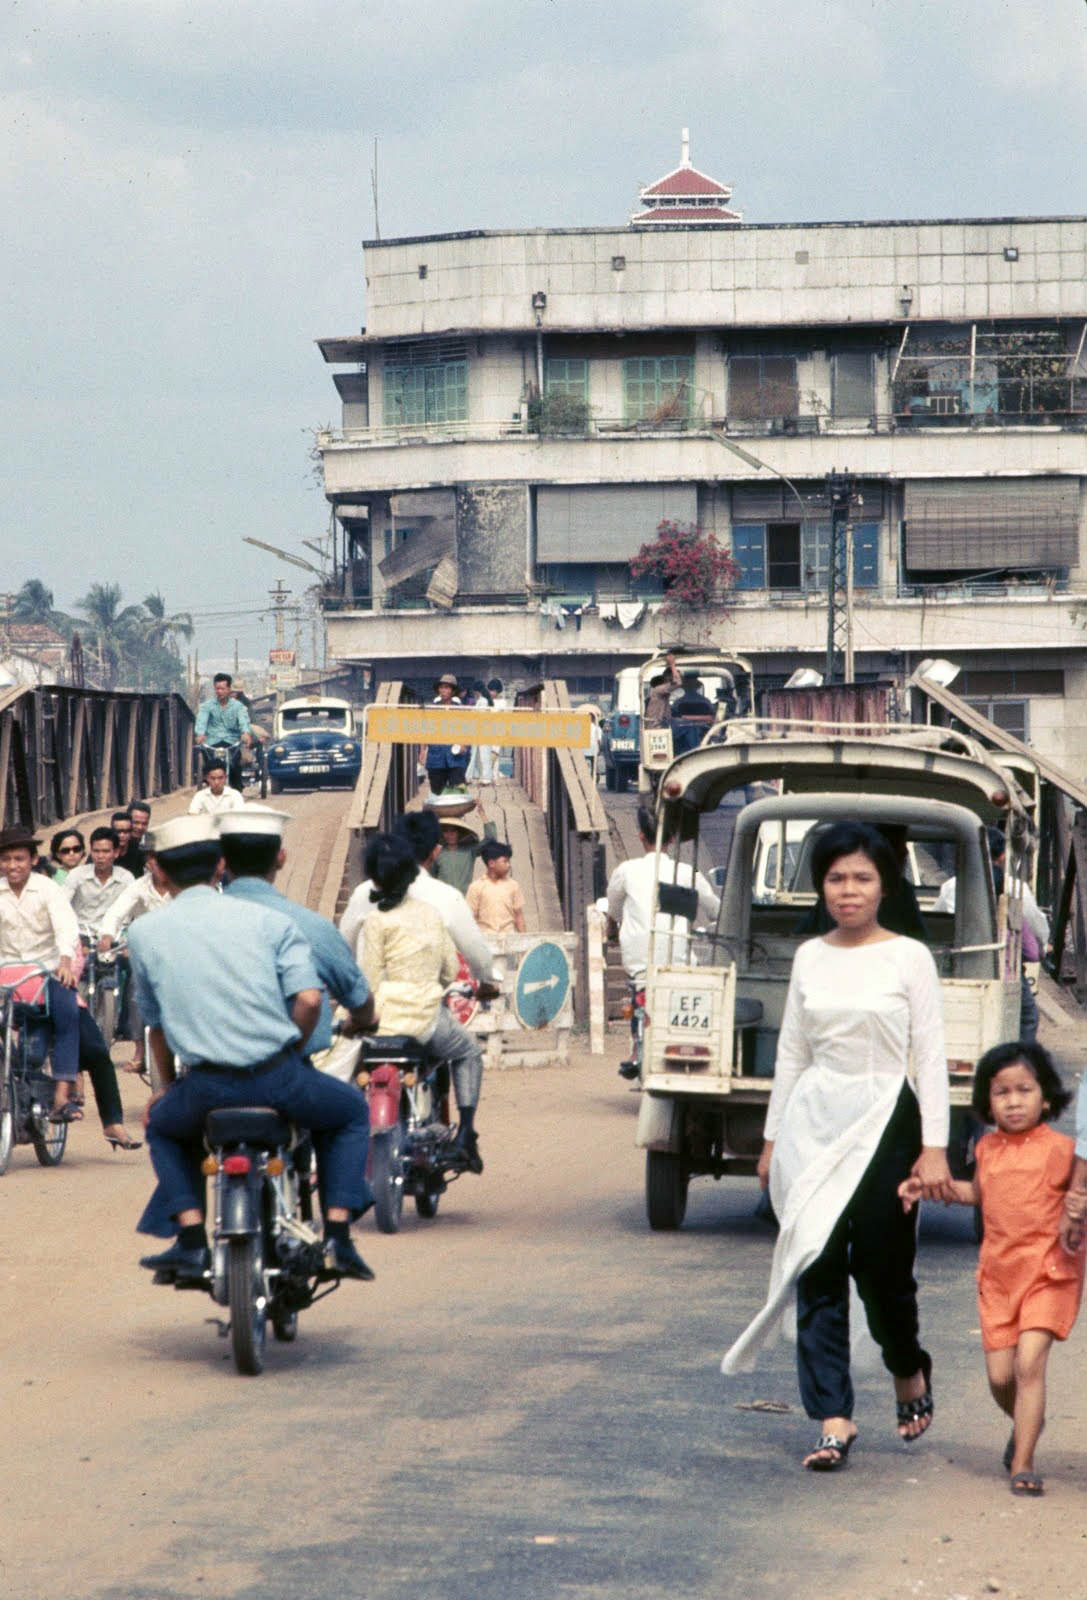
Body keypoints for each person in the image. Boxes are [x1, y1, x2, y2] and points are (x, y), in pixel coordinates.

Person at [721, 820, 953, 1472]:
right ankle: (832, 1418)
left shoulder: (908, 956)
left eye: (861, 878)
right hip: (811, 1125)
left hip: (887, 1120)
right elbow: (792, 1053)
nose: (847, 891)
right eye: (834, 878)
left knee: (882, 1272)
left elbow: (929, 1058)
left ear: (883, 886)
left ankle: (907, 1368)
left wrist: (933, 1148)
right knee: (814, 1265)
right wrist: (770, 1141)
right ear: (818, 885)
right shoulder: (809, 957)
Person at [130, 814, 375, 1284]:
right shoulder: (268, 921)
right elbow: (308, 999)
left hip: (202, 1086)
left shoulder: (144, 933)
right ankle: (339, 1237)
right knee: (347, 1112)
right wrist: (289, 1049)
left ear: (157, 870)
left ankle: (190, 1239)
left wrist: (164, 1088)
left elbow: (155, 1025)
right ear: (219, 865)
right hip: (278, 1078)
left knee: (162, 1127)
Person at [900, 1041, 1081, 1497]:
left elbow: (1079, 1202)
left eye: (1024, 1090)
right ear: (987, 1101)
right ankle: (1026, 1424)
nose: (1014, 1101)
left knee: (1029, 1363)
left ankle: (1023, 1462)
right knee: (1001, 1377)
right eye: (1002, 1092)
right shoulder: (987, 1150)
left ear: (1046, 1097)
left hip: (1048, 1273)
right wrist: (928, 1188)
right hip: (999, 1278)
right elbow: (979, 1195)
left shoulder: (1063, 1151)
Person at [360, 833, 486, 1173]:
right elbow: (449, 969)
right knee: (469, 1051)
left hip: (382, 1021)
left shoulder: (374, 920)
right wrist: (439, 985)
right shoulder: (430, 914)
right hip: (426, 1018)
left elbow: (368, 978)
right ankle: (467, 1135)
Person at [606, 804, 720, 1080]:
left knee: (639, 993)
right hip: (678, 956)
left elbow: (614, 909)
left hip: (640, 957)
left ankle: (636, 1051)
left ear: (641, 836)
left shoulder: (627, 871)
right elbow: (716, 909)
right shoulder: (687, 873)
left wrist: (615, 926)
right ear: (672, 839)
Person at [340, 809, 496, 985]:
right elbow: (477, 957)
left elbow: (343, 947)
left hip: (372, 1004)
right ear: (436, 851)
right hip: (427, 1006)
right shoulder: (447, 897)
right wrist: (487, 978)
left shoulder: (364, 892)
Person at [0, 824, 82, 1118]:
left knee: (67, 1012)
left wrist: (64, 960)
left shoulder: (48, 889)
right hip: (5, 972)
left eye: (19, 858)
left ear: (33, 860)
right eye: (6, 859)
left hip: (46, 969)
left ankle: (62, 1094)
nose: (12, 866)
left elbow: (65, 925)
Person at [935, 826, 1046, 1041]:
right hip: (1004, 974)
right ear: (1003, 855)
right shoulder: (1015, 890)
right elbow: (1034, 946)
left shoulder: (950, 886)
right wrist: (1043, 945)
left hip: (959, 968)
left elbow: (940, 921)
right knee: (1028, 1017)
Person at [63, 826, 135, 936]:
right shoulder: (76, 875)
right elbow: (61, 906)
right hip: (81, 935)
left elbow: (128, 915)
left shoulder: (126, 878)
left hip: (114, 936)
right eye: (96, 851)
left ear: (116, 852)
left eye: (106, 851)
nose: (100, 856)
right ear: (91, 852)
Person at [194, 671, 251, 789]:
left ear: (229, 689)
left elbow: (243, 720)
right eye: (217, 689)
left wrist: (245, 732)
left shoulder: (238, 706)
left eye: (223, 689)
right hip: (212, 742)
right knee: (209, 764)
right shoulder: (207, 706)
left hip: (231, 742)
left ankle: (237, 788)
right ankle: (208, 783)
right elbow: (201, 720)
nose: (219, 692)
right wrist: (200, 733)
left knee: (235, 764)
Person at [420, 673, 468, 794]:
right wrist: (422, 751)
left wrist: (464, 745)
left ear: (453, 691)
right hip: (436, 757)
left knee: (458, 792)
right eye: (441, 687)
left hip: (455, 757)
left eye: (447, 687)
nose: (443, 690)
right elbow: (425, 731)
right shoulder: (432, 710)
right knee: (437, 793)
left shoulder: (461, 710)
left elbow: (467, 731)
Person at [467, 839, 526, 936]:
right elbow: (470, 917)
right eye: (505, 861)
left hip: (509, 938)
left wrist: (524, 940)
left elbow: (518, 916)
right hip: (486, 939)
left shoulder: (513, 886)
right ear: (491, 863)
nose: (509, 865)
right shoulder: (476, 887)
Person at [670, 673, 715, 755]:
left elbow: (674, 717)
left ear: (684, 688)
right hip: (703, 731)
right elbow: (712, 716)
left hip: (685, 732)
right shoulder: (706, 701)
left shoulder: (678, 702)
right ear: (697, 687)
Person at [643, 653, 681, 729]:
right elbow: (678, 682)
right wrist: (672, 664)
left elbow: (666, 715)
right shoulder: (658, 690)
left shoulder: (660, 696)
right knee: (691, 731)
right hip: (657, 727)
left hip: (661, 724)